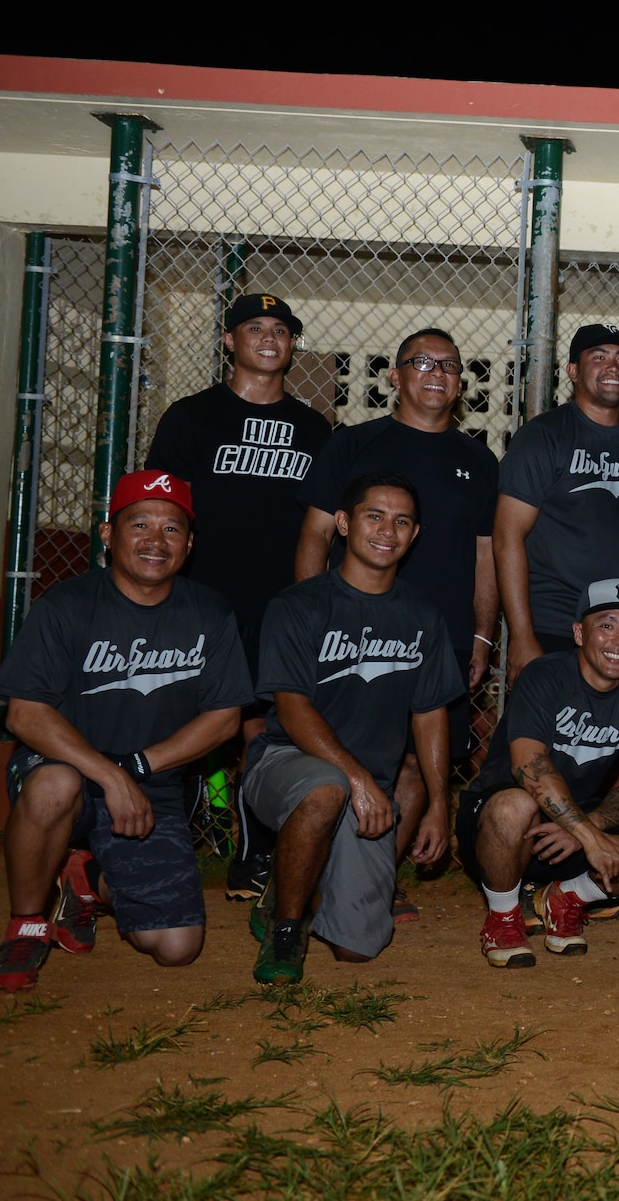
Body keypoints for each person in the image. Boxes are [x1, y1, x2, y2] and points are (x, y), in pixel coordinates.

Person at [0, 472, 252, 992]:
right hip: (62, 767)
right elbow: (24, 715)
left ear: (190, 543)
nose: (156, 541)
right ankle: (27, 925)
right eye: (140, 524)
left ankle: (87, 880)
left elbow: (224, 718)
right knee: (55, 786)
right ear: (108, 535)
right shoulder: (65, 605)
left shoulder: (209, 612)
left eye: (172, 529)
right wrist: (110, 773)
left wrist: (137, 768)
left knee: (177, 948)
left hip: (149, 781)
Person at [294, 327, 499, 913]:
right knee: (337, 756)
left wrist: (484, 634)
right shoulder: (353, 444)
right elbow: (313, 534)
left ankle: (368, 887)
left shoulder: (478, 459)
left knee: (417, 761)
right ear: (395, 376)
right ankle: (308, 879)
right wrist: (311, 620)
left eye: (450, 365)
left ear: (461, 382)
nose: (437, 374)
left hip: (441, 640)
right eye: (422, 362)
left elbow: (486, 555)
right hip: (347, 637)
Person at [243, 473, 466, 984]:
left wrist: (438, 803)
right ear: (343, 524)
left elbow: (429, 713)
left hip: (371, 782)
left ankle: (291, 882)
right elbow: (293, 710)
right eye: (374, 516)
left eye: (402, 521)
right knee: (326, 789)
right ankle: (287, 928)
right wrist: (357, 778)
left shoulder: (422, 615)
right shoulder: (298, 606)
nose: (388, 530)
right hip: (285, 764)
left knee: (357, 951)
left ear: (414, 536)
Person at [146, 294, 331, 902]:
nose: (269, 338)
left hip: (276, 606)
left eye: (281, 330)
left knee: (262, 727)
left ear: (292, 345)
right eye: (255, 327)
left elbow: (322, 524)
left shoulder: (312, 427)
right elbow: (162, 510)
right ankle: (162, 841)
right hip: (200, 600)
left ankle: (252, 854)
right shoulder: (192, 416)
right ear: (230, 340)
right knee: (186, 721)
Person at [455, 579, 619, 967]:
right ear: (578, 632)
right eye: (606, 624)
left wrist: (589, 825)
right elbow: (527, 765)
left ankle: (564, 898)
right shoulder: (545, 675)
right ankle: (502, 917)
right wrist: (586, 833)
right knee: (514, 806)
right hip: (498, 827)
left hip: (568, 828)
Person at [496, 324, 619, 684]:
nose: (614, 367)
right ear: (573, 371)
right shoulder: (544, 435)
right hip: (552, 623)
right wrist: (521, 635)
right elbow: (506, 537)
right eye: (599, 357)